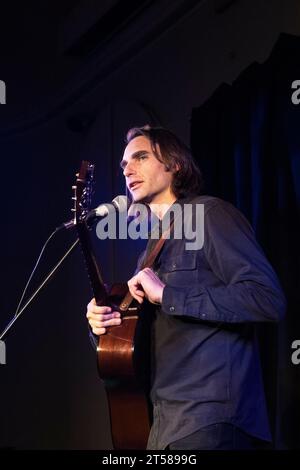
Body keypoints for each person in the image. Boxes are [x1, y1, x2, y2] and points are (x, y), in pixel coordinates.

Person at [86, 125, 286, 450]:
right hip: (163, 429)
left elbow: (267, 299)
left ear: (174, 164)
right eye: (124, 165)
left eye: (141, 157)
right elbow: (131, 348)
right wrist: (101, 326)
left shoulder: (210, 214)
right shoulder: (148, 255)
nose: (128, 170)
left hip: (212, 421)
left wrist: (167, 294)